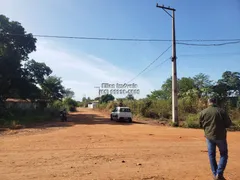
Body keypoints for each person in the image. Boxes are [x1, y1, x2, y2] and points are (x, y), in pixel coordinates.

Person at [199, 97, 232, 180]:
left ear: (208, 102)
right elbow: (228, 124)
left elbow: (200, 124)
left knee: (211, 155)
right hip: (221, 137)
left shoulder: (203, 112)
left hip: (209, 136)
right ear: (216, 102)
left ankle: (215, 174)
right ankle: (219, 173)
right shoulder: (222, 111)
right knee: (224, 154)